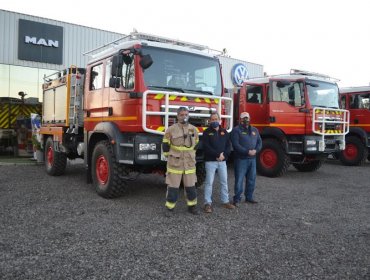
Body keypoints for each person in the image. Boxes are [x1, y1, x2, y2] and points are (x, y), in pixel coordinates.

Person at [162, 107, 199, 215]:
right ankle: (169, 208)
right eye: (182, 114)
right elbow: (165, 144)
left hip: (189, 163)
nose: (184, 116)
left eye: (186, 114)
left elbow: (196, 143)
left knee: (191, 187)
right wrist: (169, 156)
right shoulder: (171, 129)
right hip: (175, 162)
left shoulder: (193, 129)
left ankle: (192, 207)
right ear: (177, 116)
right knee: (173, 187)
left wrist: (191, 154)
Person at [202, 112, 235, 213]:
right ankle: (207, 203)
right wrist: (217, 155)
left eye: (216, 119)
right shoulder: (206, 132)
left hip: (222, 162)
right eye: (212, 119)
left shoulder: (224, 132)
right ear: (210, 121)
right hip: (210, 161)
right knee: (209, 183)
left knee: (224, 182)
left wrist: (224, 155)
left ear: (220, 120)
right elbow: (206, 147)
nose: (215, 121)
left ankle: (225, 201)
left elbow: (229, 146)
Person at [231, 112, 262, 206]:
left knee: (251, 179)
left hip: (252, 159)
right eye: (244, 118)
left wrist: (256, 151)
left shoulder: (255, 130)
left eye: (247, 118)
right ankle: (237, 199)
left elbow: (259, 142)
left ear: (250, 118)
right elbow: (236, 145)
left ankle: (249, 197)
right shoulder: (236, 130)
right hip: (241, 159)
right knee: (239, 180)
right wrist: (247, 151)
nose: (246, 120)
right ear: (240, 119)